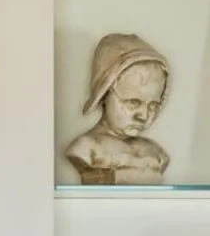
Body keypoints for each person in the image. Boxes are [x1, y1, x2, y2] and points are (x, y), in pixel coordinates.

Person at [65, 32, 171, 184]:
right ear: (103, 94)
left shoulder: (157, 153)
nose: (144, 115)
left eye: (153, 105)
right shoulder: (86, 149)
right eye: (133, 102)